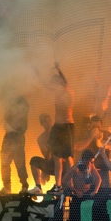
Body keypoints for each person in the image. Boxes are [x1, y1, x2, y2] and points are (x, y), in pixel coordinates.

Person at [46, 62, 75, 194]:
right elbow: (45, 85)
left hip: (67, 127)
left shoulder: (67, 92)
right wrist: (37, 73)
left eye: (55, 83)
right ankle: (58, 185)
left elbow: (66, 83)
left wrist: (59, 69)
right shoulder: (56, 93)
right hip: (57, 127)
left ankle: (72, 184)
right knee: (57, 157)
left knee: (68, 157)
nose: (53, 86)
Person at [0, 96, 30, 195]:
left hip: (14, 136)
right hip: (12, 136)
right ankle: (16, 186)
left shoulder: (19, 105)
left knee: (14, 162)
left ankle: (19, 186)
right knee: (11, 162)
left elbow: (20, 124)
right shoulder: (18, 104)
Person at [28, 113, 54, 195]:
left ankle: (60, 187)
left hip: (64, 165)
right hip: (51, 164)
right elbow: (47, 157)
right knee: (34, 160)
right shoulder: (41, 139)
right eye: (46, 121)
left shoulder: (58, 133)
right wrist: (44, 170)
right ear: (42, 124)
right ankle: (38, 187)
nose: (48, 122)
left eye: (49, 120)